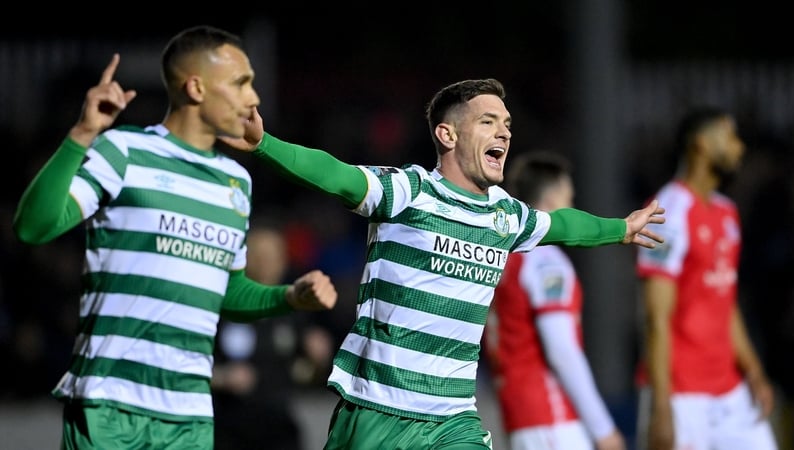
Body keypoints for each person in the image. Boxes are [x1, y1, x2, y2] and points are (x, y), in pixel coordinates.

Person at [221, 77, 666, 449]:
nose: (505, 133)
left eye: (507, 124)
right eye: (488, 122)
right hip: (379, 410)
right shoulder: (408, 193)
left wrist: (621, 229)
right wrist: (264, 144)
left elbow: (563, 224)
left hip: (453, 417)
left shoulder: (505, 215)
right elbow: (336, 175)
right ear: (447, 135)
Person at [12, 25, 338, 450]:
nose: (253, 97)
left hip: (190, 415)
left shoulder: (235, 181)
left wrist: (288, 298)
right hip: (112, 403)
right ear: (197, 87)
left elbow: (228, 291)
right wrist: (80, 137)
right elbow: (34, 227)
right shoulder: (124, 150)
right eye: (241, 83)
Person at [635, 106, 778, 450]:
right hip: (683, 396)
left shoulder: (727, 212)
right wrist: (662, 404)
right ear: (700, 144)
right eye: (729, 136)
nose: (739, 147)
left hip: (730, 390)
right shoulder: (668, 211)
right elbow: (656, 316)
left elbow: (724, 299)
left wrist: (753, 369)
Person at [483, 151, 626, 450]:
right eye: (569, 201)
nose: (573, 209)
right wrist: (603, 429)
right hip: (552, 419)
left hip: (519, 417)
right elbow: (562, 349)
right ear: (551, 205)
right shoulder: (545, 260)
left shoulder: (503, 257)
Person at [212, 217, 335, 450]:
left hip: (278, 431)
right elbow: (191, 365)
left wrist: (317, 359)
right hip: (228, 431)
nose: (269, 264)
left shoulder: (293, 311)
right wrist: (223, 377)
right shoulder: (223, 307)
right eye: (261, 256)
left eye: (275, 256)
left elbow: (305, 375)